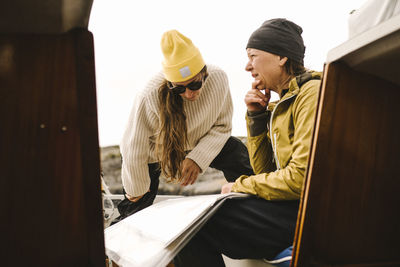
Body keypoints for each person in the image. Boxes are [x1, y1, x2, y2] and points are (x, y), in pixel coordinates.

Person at [174, 18, 322, 266]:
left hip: (309, 213)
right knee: (187, 223)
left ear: (281, 57)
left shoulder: (311, 94)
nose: (247, 66)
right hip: (289, 208)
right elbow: (265, 172)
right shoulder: (282, 105)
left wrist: (240, 185)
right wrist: (255, 118)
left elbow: (301, 179)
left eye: (253, 56)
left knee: (193, 226)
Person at [115, 30, 253, 223]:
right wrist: (136, 188)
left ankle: (255, 212)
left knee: (237, 153)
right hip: (155, 150)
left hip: (201, 140)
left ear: (204, 73)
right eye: (179, 88)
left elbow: (222, 126)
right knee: (136, 207)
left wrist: (198, 158)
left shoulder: (218, 78)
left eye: (195, 85)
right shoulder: (149, 95)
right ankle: (113, 250)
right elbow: (133, 145)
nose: (188, 94)